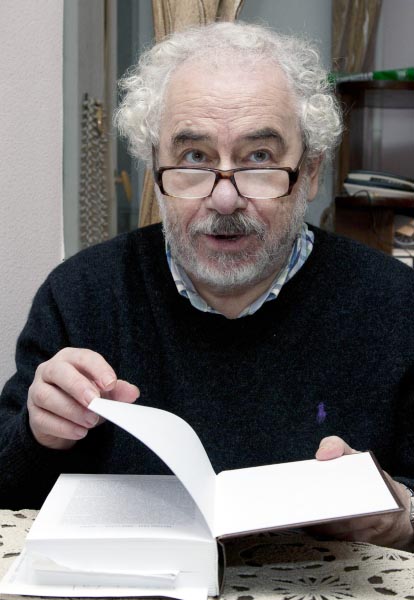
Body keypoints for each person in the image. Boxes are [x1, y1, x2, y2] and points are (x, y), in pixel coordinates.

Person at [1, 21, 413, 550]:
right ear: (154, 171)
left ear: (310, 172)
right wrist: (38, 434)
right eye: (194, 158)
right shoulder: (79, 296)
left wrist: (403, 513)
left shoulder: (397, 305)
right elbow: (8, 487)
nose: (223, 199)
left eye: (259, 157)